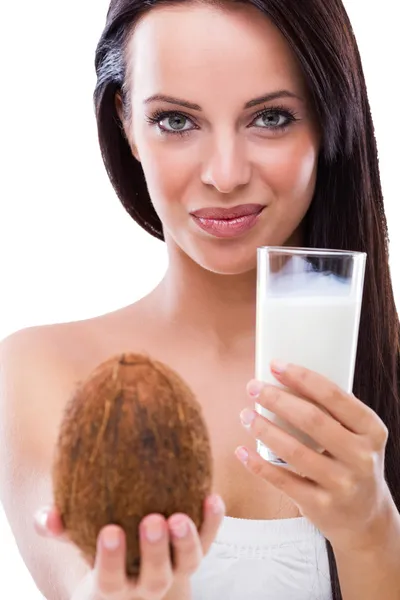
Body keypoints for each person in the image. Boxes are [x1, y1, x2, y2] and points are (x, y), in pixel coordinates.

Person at [1, 0, 400, 599]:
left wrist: (371, 535)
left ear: (330, 119)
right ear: (126, 124)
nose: (225, 173)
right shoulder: (41, 372)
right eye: (177, 121)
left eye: (270, 117)